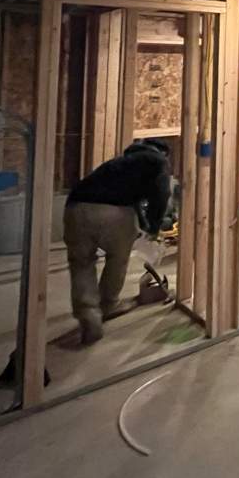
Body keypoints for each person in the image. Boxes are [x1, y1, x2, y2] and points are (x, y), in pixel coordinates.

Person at [63, 138, 172, 344]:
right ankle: (108, 304)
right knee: (117, 258)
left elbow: (136, 201)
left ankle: (88, 314)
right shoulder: (158, 161)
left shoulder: (120, 163)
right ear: (164, 152)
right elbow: (161, 194)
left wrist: (144, 223)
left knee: (81, 262)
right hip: (113, 211)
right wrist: (154, 227)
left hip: (75, 207)